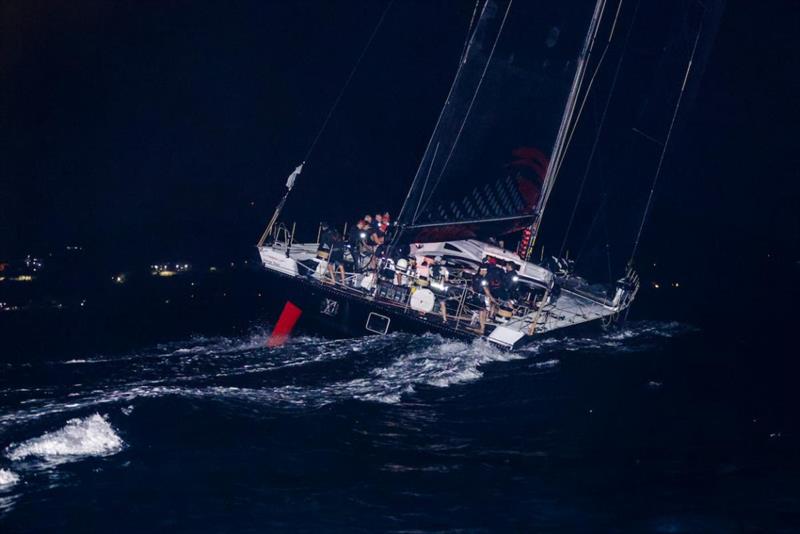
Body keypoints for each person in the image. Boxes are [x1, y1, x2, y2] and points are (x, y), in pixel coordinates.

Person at [468, 265, 493, 335]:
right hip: (480, 297)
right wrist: (491, 298)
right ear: (482, 270)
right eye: (486, 271)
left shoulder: (474, 276)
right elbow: (486, 290)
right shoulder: (483, 279)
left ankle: (479, 326)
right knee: (482, 311)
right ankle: (482, 329)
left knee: (482, 311)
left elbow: (471, 287)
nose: (486, 272)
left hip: (476, 296)